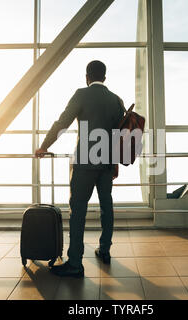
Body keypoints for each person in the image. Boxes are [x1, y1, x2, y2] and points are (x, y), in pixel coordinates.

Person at [34, 60, 125, 278]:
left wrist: (44, 146)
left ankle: (75, 262)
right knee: (106, 208)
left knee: (78, 212)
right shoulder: (116, 100)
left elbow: (62, 123)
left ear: (87, 77)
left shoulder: (81, 94)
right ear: (105, 77)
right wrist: (114, 163)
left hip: (84, 163)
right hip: (106, 164)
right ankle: (104, 250)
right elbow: (118, 136)